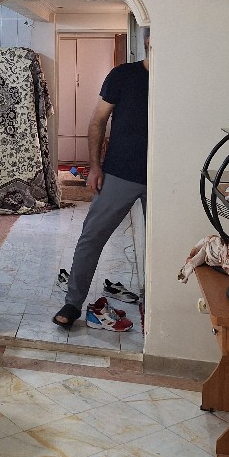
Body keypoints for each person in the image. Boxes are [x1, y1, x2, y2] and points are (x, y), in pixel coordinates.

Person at [53, 28, 150, 331]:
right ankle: (73, 302)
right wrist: (95, 166)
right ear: (148, 41)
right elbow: (97, 121)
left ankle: (157, 305)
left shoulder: (178, 79)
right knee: (91, 236)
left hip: (163, 178)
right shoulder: (123, 75)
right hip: (119, 173)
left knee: (165, 241)